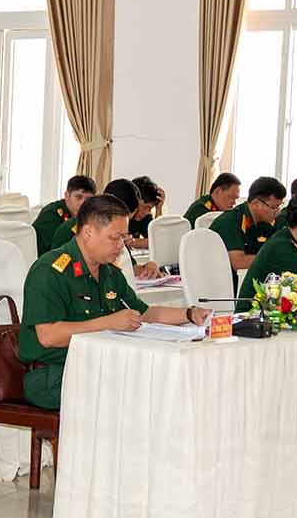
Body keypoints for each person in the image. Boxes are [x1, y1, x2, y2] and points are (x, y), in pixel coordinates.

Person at [18, 195, 211, 410]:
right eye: (115, 238)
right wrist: (109, 322)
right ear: (88, 232)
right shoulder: (50, 271)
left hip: (99, 367)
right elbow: (49, 336)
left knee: (161, 381)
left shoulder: (109, 272)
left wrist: (189, 314)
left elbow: (144, 313)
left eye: (124, 238)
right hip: (54, 374)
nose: (121, 246)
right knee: (137, 393)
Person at [209, 176, 286, 283]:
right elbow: (239, 262)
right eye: (274, 207)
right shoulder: (229, 222)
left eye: (279, 207)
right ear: (256, 203)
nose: (277, 212)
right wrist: (275, 259)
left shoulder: (263, 223)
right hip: (225, 283)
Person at [32, 175, 95, 247]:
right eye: (78, 197)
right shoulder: (50, 214)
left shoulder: (91, 215)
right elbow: (54, 248)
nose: (83, 203)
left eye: (88, 199)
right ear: (67, 196)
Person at [125, 176, 163, 248]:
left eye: (151, 208)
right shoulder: (121, 216)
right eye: (146, 207)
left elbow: (159, 239)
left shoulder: (145, 217)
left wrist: (158, 208)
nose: (147, 212)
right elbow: (124, 242)